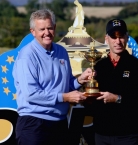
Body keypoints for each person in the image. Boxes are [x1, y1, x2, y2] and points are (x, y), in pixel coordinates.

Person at [12, 9, 92, 145]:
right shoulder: (27, 56)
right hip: (34, 125)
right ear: (33, 32)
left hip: (59, 124)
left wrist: (80, 80)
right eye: (41, 29)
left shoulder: (61, 51)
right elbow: (31, 94)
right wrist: (66, 97)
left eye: (49, 28)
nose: (46, 33)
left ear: (54, 28)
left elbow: (64, 87)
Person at [84, 19, 138, 145]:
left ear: (127, 37)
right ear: (106, 39)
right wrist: (87, 98)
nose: (118, 41)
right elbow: (92, 103)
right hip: (101, 134)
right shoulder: (99, 66)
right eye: (113, 37)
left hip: (129, 135)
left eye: (121, 36)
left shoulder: (137, 66)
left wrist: (118, 98)